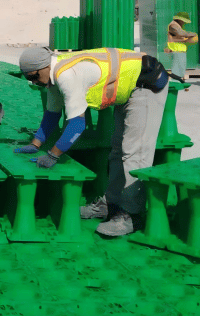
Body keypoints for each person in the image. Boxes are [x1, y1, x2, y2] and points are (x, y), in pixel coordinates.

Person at [14, 46, 170, 237]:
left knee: (134, 154)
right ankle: (110, 204)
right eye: (29, 79)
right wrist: (35, 144)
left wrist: (52, 155)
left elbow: (76, 126)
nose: (34, 82)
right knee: (117, 151)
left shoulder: (66, 75)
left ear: (44, 67)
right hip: (128, 87)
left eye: (34, 77)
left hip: (146, 82)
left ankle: (131, 215)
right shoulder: (51, 76)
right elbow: (52, 115)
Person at [165, 12, 197, 80]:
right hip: (175, 50)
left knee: (180, 71)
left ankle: (178, 83)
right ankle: (174, 84)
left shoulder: (178, 25)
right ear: (180, 19)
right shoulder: (173, 25)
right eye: (183, 21)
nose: (184, 23)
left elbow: (180, 38)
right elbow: (180, 33)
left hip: (180, 51)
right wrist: (192, 34)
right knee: (176, 72)